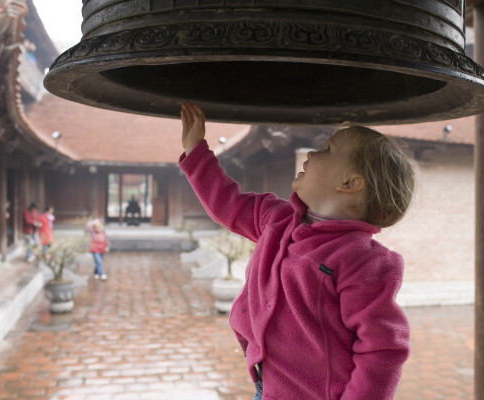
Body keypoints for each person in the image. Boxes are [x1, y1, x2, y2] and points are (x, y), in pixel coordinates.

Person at [178, 102, 415, 399]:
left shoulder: (364, 260)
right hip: (268, 388)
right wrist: (196, 151)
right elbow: (227, 204)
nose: (312, 153)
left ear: (350, 182)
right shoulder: (275, 218)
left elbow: (382, 347)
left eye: (327, 150)